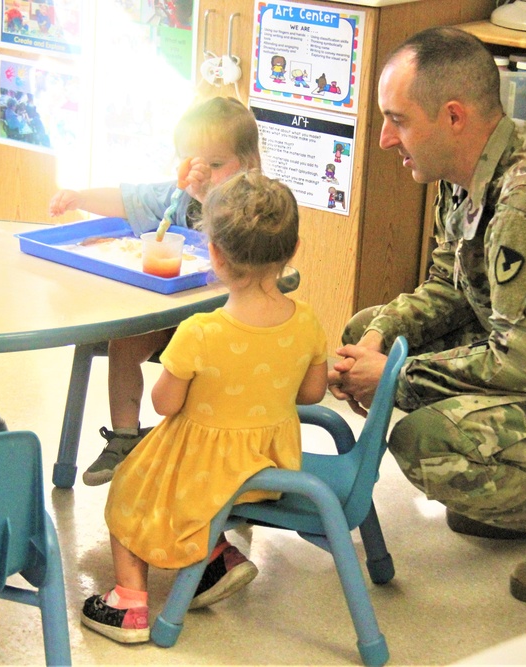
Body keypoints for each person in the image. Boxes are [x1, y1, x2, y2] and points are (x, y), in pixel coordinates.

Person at [328, 26, 526, 606]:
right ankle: (519, 490)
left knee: (432, 445)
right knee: (368, 332)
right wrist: (381, 336)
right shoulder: (473, 169)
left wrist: (395, 376)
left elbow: (524, 363)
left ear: (453, 116)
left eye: (397, 119)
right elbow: (450, 287)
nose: (383, 138)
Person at [80, 171, 330, 643]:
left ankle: (129, 604)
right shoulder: (308, 323)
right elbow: (312, 393)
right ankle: (215, 560)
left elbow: (163, 403)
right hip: (271, 467)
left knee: (130, 493)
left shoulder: (199, 331)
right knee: (185, 494)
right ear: (293, 249)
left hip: (209, 468)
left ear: (213, 253)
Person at [48, 96, 262, 486]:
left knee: (201, 377)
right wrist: (80, 197)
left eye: (215, 165)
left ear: (248, 163)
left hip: (229, 325)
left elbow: (241, 242)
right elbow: (129, 199)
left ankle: (197, 449)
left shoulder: (256, 202)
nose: (202, 174)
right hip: (174, 316)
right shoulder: (175, 196)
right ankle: (125, 437)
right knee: (124, 341)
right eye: (191, 163)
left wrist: (206, 198)